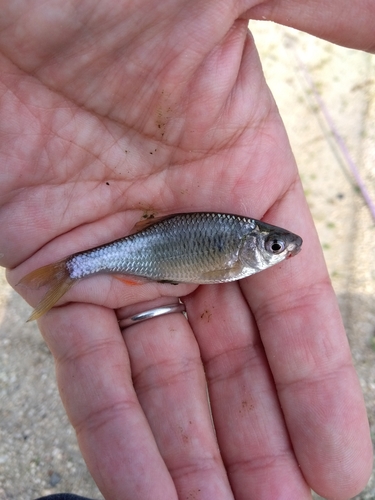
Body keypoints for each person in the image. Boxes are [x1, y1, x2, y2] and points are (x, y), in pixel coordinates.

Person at [1, 1, 374, 499]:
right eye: (275, 245)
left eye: (277, 245)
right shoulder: (235, 250)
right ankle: (73, 270)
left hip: (155, 251)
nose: (283, 250)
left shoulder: (235, 246)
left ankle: (74, 270)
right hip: (153, 250)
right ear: (253, 243)